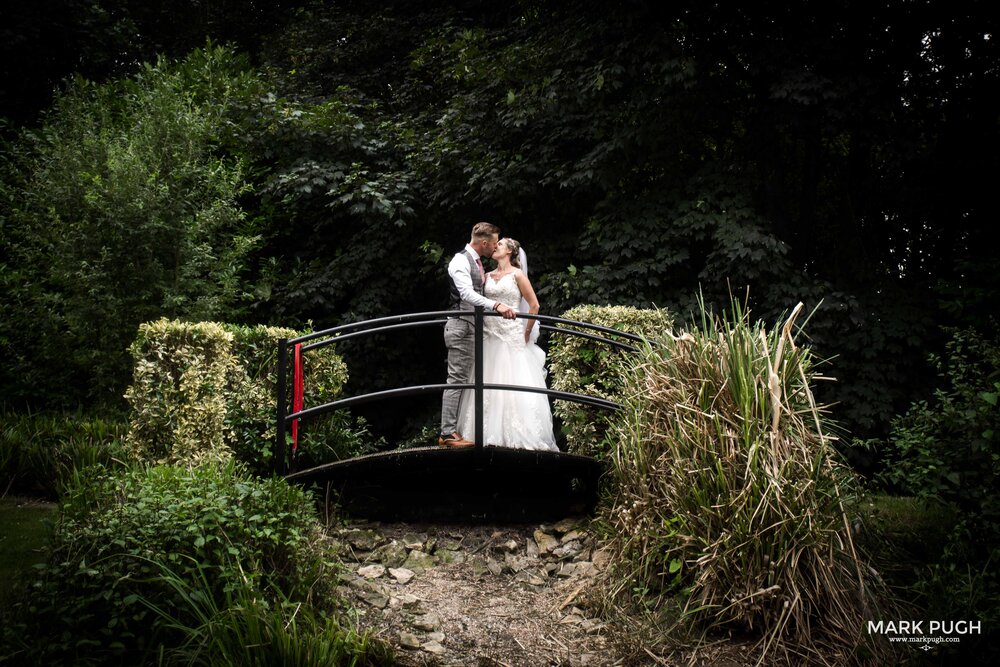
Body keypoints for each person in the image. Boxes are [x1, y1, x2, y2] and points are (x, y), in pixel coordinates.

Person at [456, 238, 558, 451]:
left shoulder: (517, 275)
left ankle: (516, 434)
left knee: (512, 380)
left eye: (500, 244)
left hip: (511, 334)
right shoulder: (486, 276)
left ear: (510, 251)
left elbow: (534, 305)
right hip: (490, 334)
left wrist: (527, 332)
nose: (496, 246)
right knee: (487, 379)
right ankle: (483, 434)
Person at [439, 222, 517, 447]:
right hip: (460, 325)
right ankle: (447, 433)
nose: (495, 247)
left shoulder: (476, 262)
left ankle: (450, 431)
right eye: (493, 243)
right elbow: (466, 294)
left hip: (469, 327)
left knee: (463, 379)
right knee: (456, 379)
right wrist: (496, 305)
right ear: (484, 242)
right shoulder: (460, 261)